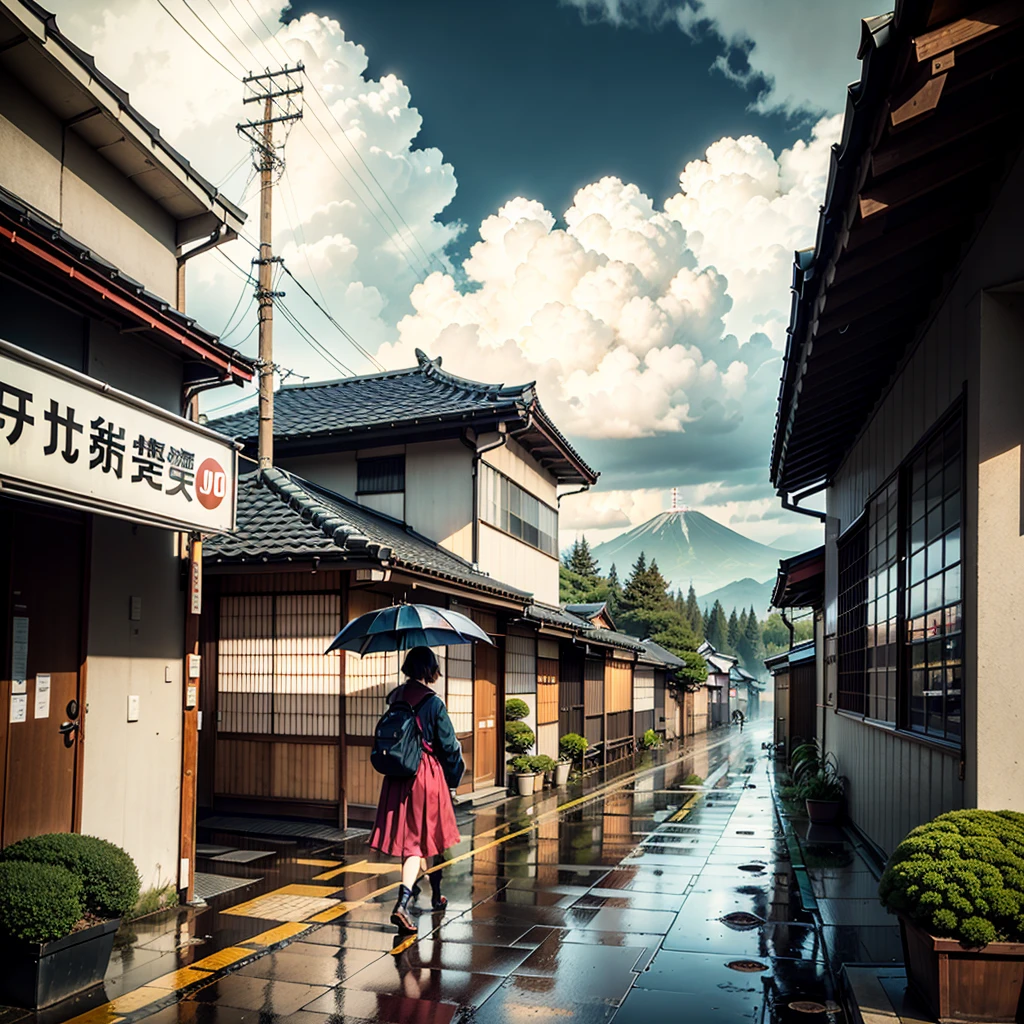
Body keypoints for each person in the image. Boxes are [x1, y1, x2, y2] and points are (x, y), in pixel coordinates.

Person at [369, 646, 465, 933]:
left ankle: (433, 894)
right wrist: (454, 778)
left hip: (397, 777)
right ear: (430, 669)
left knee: (414, 839)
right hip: (426, 776)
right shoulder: (433, 703)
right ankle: (404, 903)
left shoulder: (395, 697)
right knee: (428, 839)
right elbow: (448, 746)